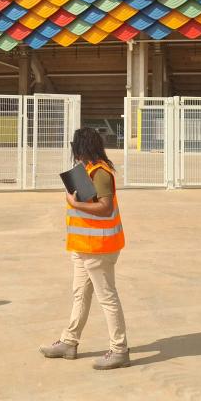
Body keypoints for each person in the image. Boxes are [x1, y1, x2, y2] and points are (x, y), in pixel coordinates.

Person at [40, 127, 130, 370]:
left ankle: (119, 349)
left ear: (81, 148)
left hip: (99, 247)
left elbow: (106, 208)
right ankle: (69, 342)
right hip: (83, 247)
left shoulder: (100, 172)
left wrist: (76, 203)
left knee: (107, 297)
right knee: (80, 294)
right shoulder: (87, 171)